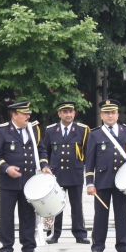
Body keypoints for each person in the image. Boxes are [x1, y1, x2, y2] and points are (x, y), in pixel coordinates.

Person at [85, 99, 126, 252]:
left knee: (122, 215)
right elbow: (89, 160)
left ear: (118, 115)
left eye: (113, 112)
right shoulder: (94, 134)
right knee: (100, 215)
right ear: (101, 115)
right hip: (102, 180)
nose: (110, 116)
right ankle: (97, 247)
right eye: (107, 113)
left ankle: (124, 247)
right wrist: (89, 183)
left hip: (123, 182)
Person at [0, 101, 48, 252]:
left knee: (28, 215)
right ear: (14, 115)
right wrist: (6, 168)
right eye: (24, 114)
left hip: (29, 181)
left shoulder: (33, 129)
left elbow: (41, 150)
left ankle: (28, 247)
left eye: (28, 113)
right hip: (9, 182)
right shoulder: (1, 130)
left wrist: (44, 166)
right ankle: (6, 247)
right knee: (7, 216)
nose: (28, 116)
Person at [43, 101, 90, 244]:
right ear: (59, 114)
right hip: (56, 173)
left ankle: (80, 233)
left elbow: (88, 152)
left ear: (74, 113)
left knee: (77, 205)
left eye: (71, 111)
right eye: (65, 112)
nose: (68, 114)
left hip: (75, 173)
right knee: (56, 205)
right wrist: (45, 166)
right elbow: (45, 151)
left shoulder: (83, 130)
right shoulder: (51, 130)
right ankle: (54, 234)